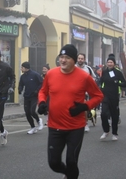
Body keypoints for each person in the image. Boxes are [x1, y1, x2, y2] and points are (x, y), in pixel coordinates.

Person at [37, 44, 103, 179]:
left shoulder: (84, 77)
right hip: (55, 126)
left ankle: (71, 174)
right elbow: (43, 91)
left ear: (74, 60)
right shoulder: (51, 74)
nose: (63, 60)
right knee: (54, 163)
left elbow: (98, 96)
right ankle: (69, 174)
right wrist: (42, 102)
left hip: (75, 127)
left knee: (71, 162)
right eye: (61, 57)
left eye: (67, 57)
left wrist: (85, 107)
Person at [99, 54, 126, 141]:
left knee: (114, 116)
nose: (109, 64)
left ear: (114, 63)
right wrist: (101, 88)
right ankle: (106, 130)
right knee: (103, 113)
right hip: (105, 95)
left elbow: (125, 83)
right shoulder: (104, 72)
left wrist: (117, 82)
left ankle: (114, 133)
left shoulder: (118, 72)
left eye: (111, 62)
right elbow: (100, 82)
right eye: (108, 62)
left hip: (114, 96)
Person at [18, 61, 44, 134]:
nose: (21, 69)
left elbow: (42, 83)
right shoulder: (22, 77)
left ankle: (39, 120)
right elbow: (21, 84)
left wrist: (37, 90)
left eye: (22, 67)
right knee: (27, 112)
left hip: (34, 96)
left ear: (26, 68)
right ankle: (32, 127)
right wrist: (19, 89)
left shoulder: (35, 75)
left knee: (32, 111)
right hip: (27, 96)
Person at [75, 53, 97, 133]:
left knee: (84, 108)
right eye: (79, 58)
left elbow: (94, 78)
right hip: (73, 92)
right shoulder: (73, 67)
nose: (80, 60)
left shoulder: (88, 68)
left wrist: (89, 88)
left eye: (82, 58)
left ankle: (85, 123)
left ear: (84, 60)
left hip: (84, 92)